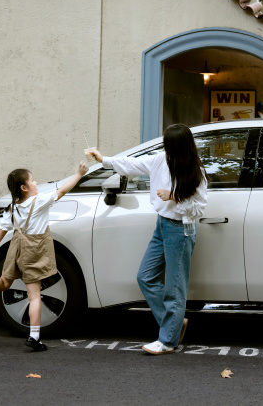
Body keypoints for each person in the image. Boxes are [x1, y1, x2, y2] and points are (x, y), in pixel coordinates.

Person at [89, 123, 208, 355]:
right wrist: (103, 160)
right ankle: (173, 323)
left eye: (168, 144)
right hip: (162, 226)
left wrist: (175, 197)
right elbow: (131, 165)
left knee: (175, 287)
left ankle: (168, 341)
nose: (165, 147)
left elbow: (198, 210)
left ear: (179, 147)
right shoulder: (160, 160)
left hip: (181, 230)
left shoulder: (195, 172)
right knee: (145, 277)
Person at [0, 162, 88, 351]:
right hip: (33, 250)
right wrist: (79, 174)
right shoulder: (38, 202)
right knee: (35, 297)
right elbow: (61, 191)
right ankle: (34, 337)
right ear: (24, 187)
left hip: (16, 248)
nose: (36, 183)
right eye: (33, 180)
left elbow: (1, 230)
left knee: (4, 283)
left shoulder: (13, 208)